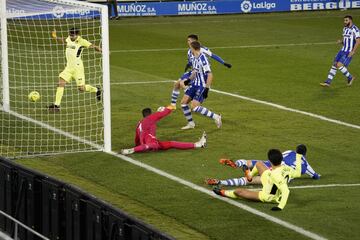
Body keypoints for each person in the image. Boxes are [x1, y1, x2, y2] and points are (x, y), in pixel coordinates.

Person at [213, 149, 302, 211]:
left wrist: (280, 207)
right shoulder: (287, 168)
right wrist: (298, 155)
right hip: (269, 180)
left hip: (268, 195)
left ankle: (223, 192)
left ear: (270, 162)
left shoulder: (276, 175)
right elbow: (298, 172)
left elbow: (286, 191)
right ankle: (249, 176)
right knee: (259, 164)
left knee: (239, 192)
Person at [206, 144, 320, 186]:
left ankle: (236, 164)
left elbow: (279, 156)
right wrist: (316, 175)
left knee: (249, 162)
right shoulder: (306, 165)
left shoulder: (290, 152)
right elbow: (315, 176)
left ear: (296, 150)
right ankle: (221, 182)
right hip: (279, 175)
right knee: (248, 180)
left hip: (272, 164)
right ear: (305, 154)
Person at [170, 34, 231, 110]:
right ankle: (173, 105)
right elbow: (191, 61)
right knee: (177, 84)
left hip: (201, 73)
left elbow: (213, 55)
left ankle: (193, 97)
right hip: (193, 71)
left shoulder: (203, 50)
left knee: (183, 83)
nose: (187, 42)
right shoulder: (189, 51)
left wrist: (224, 63)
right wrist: (188, 64)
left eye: (189, 40)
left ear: (194, 41)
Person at [48, 28, 102, 112]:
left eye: (72, 35)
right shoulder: (69, 38)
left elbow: (93, 46)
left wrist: (102, 50)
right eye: (70, 35)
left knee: (81, 88)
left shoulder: (81, 41)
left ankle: (96, 89)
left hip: (78, 68)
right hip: (69, 67)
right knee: (60, 83)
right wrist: (55, 37)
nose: (71, 37)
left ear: (77, 35)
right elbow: (63, 40)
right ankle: (56, 105)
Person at [120, 106, 207, 155]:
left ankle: (198, 144)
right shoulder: (149, 119)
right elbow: (161, 114)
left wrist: (138, 145)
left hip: (148, 143)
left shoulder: (139, 123)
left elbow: (136, 138)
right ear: (150, 114)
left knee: (171, 143)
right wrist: (170, 107)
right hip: (152, 144)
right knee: (155, 144)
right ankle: (131, 150)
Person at [179, 41, 222, 130]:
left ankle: (216, 117)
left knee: (194, 107)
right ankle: (191, 124)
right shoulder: (194, 58)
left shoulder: (203, 59)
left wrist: (206, 89)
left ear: (193, 48)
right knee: (183, 103)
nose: (189, 49)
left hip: (202, 85)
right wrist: (188, 81)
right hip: (195, 84)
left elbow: (210, 74)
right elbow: (195, 71)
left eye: (190, 47)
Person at [320, 15, 360, 87]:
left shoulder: (355, 29)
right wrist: (341, 42)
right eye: (344, 20)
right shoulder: (345, 28)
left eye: (346, 20)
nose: (345, 22)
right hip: (342, 50)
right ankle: (328, 82)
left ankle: (350, 77)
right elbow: (346, 40)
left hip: (348, 51)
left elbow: (358, 41)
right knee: (335, 64)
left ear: (350, 20)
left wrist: (353, 51)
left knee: (339, 65)